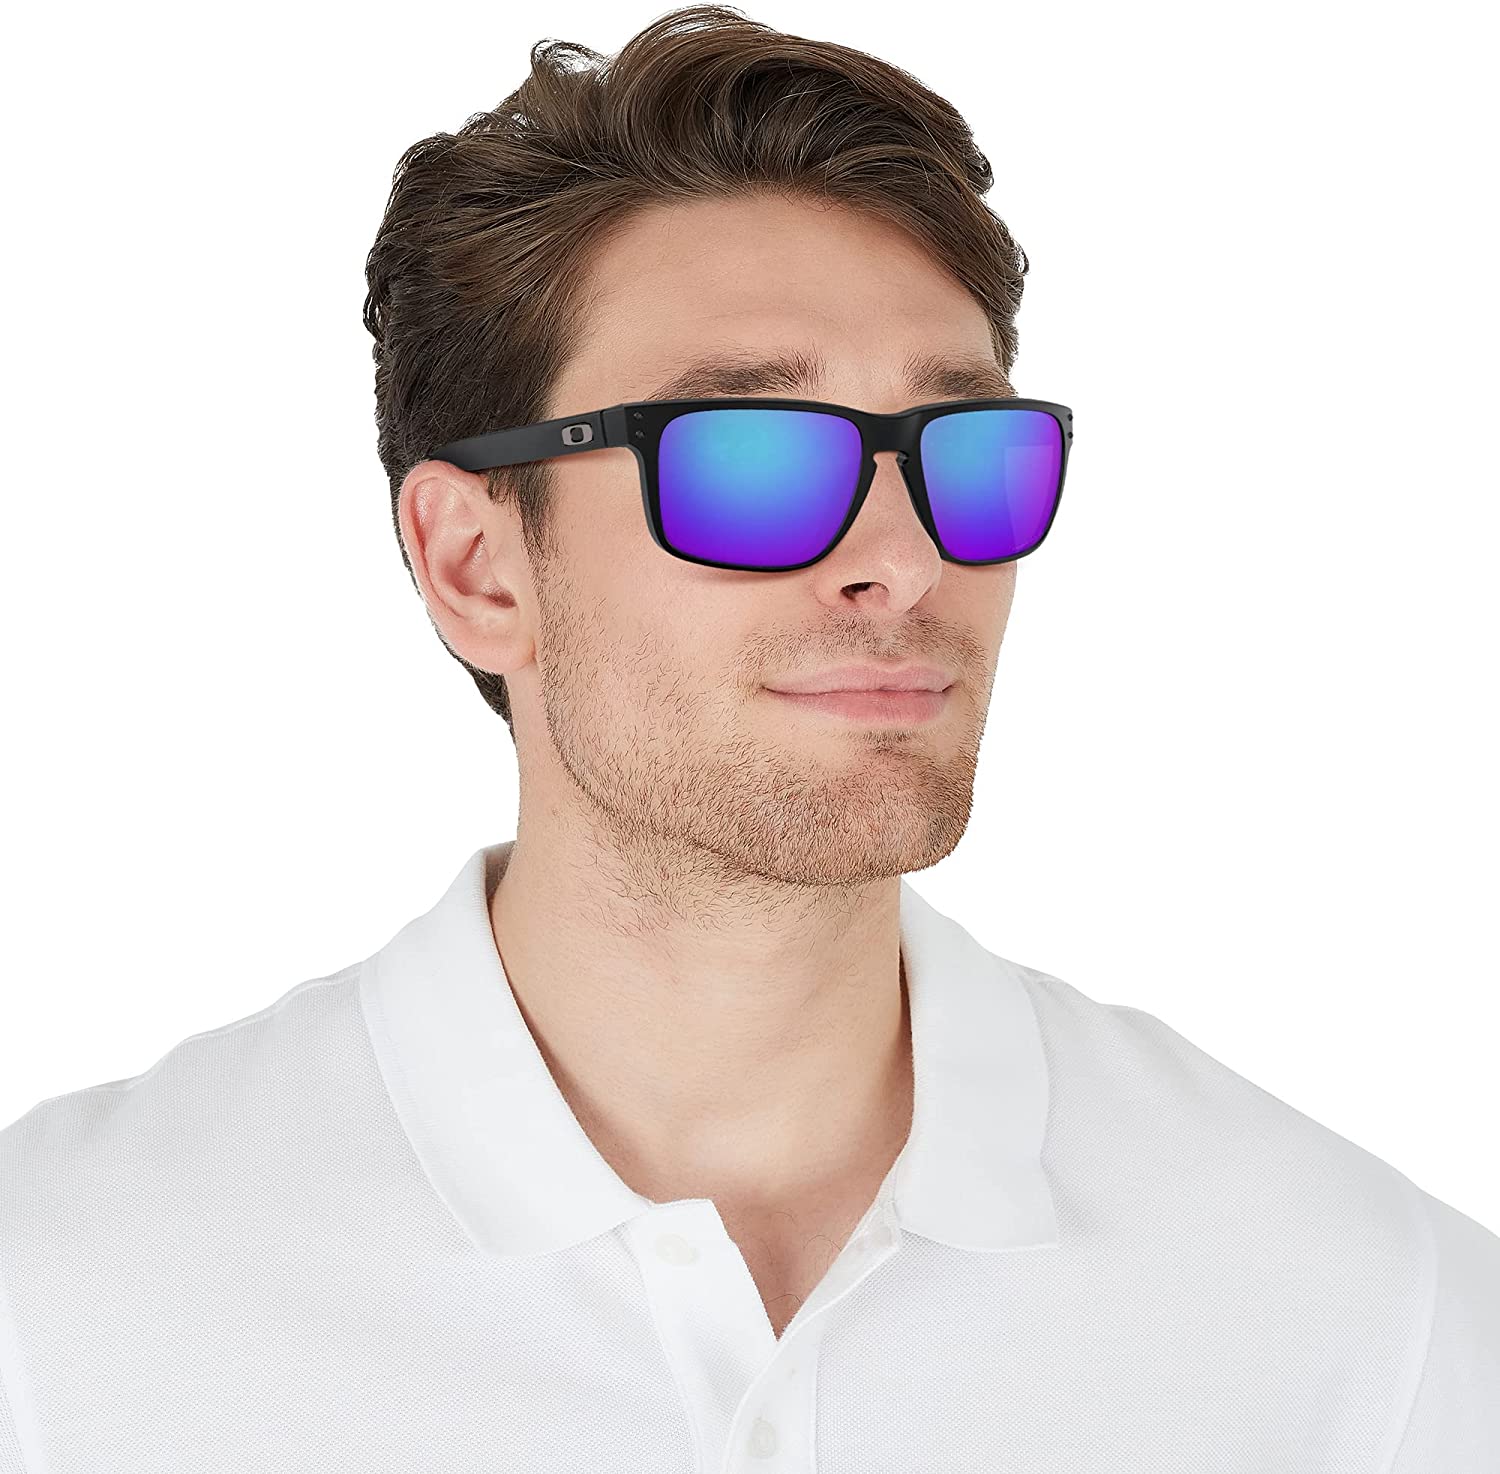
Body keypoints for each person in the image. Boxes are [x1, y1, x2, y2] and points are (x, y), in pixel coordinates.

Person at [1, 7, 1494, 1469]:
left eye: (965, 449)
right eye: (754, 458)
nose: (903, 561)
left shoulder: (1365, 1319)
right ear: (477, 566)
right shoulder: (60, 1315)